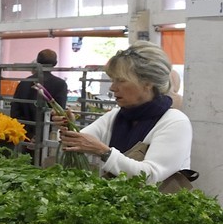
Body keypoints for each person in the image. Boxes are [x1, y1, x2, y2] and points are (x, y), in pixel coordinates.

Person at [59, 42, 194, 188]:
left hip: (157, 207)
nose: (112, 88)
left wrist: (103, 152)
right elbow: (80, 142)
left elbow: (150, 176)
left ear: (147, 83)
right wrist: (70, 129)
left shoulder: (174, 123)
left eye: (121, 81)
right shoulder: (115, 117)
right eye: (113, 80)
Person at [8, 49, 69, 143]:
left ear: (37, 61)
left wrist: (29, 134)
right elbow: (59, 113)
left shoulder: (24, 83)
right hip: (47, 137)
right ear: (55, 63)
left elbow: (15, 111)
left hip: (24, 135)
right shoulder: (60, 84)